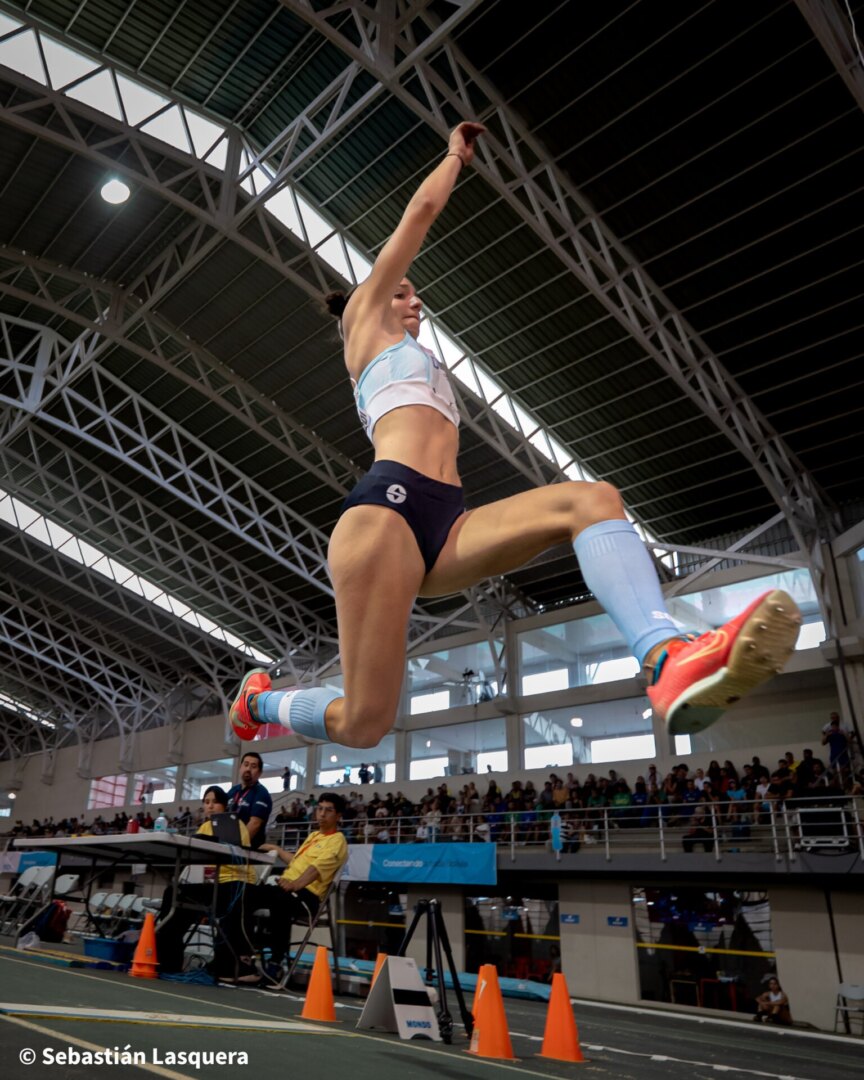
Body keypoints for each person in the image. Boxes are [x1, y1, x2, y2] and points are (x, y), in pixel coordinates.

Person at [227, 122, 801, 752]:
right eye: (403, 292)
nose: (414, 302)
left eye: (415, 295)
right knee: (365, 724)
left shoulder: (422, 362)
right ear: (371, 297)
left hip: (445, 522)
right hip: (384, 512)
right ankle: (258, 701)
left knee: (593, 499)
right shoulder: (363, 325)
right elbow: (419, 215)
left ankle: (665, 659)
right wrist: (454, 157)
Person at [156, 786, 259, 982]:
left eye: (214, 802)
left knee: (228, 898)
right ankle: (167, 958)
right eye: (206, 802)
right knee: (173, 893)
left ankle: (230, 964)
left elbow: (241, 856)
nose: (210, 806)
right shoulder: (203, 828)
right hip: (210, 884)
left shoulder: (238, 826)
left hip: (234, 883)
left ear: (224, 805)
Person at [257, 793, 348, 990]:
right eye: (320, 808)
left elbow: (316, 869)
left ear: (338, 816)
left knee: (279, 899)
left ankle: (275, 963)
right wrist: (277, 849)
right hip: (289, 887)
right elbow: (298, 862)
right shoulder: (314, 836)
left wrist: (295, 884)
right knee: (247, 893)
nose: (322, 814)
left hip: (309, 897)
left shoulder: (337, 841)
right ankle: (243, 957)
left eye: (328, 810)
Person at [225, 752, 272, 849]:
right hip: (227, 846)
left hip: (248, 851)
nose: (248, 769)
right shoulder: (233, 791)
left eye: (253, 766)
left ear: (259, 772)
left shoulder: (261, 793)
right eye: (245, 765)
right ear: (240, 767)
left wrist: (236, 846)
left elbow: (255, 823)